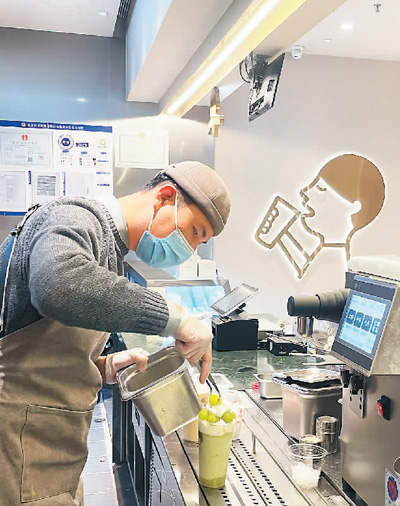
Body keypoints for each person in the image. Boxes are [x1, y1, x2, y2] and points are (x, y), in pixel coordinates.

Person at [0, 160, 231, 506]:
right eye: (194, 232)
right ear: (165, 197)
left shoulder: (112, 250)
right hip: (18, 439)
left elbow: (41, 348)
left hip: (50, 444)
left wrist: (102, 366)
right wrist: (175, 317)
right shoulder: (75, 218)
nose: (191, 249)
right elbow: (57, 286)